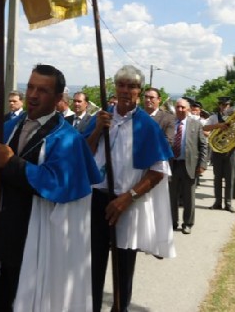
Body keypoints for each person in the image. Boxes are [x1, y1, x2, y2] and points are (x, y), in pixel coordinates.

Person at [0, 64, 101, 312]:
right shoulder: (7, 128)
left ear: (58, 98)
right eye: (30, 86)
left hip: (34, 246)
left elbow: (54, 185)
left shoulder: (67, 140)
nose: (32, 94)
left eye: (42, 90)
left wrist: (11, 162)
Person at [85, 65, 175, 312]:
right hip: (97, 199)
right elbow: (83, 155)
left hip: (127, 203)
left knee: (123, 268)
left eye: (132, 86)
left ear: (139, 91)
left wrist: (129, 197)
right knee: (93, 264)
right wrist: (95, 131)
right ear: (115, 87)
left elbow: (158, 170)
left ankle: (119, 308)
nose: (126, 91)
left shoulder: (147, 125)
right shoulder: (101, 117)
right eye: (121, 85)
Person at [169, 98, 208, 234]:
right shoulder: (170, 123)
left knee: (189, 197)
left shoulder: (195, 124)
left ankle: (188, 223)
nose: (180, 109)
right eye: (178, 107)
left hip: (190, 166)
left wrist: (202, 164)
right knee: (172, 197)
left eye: (183, 107)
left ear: (189, 109)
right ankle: (172, 222)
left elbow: (203, 145)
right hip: (172, 165)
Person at [204, 96, 235, 213]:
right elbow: (204, 127)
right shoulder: (213, 117)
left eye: (227, 105)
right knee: (217, 178)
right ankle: (217, 202)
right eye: (223, 105)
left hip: (230, 150)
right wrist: (217, 126)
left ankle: (228, 203)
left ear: (230, 106)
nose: (225, 107)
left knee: (229, 178)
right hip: (217, 151)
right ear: (219, 106)